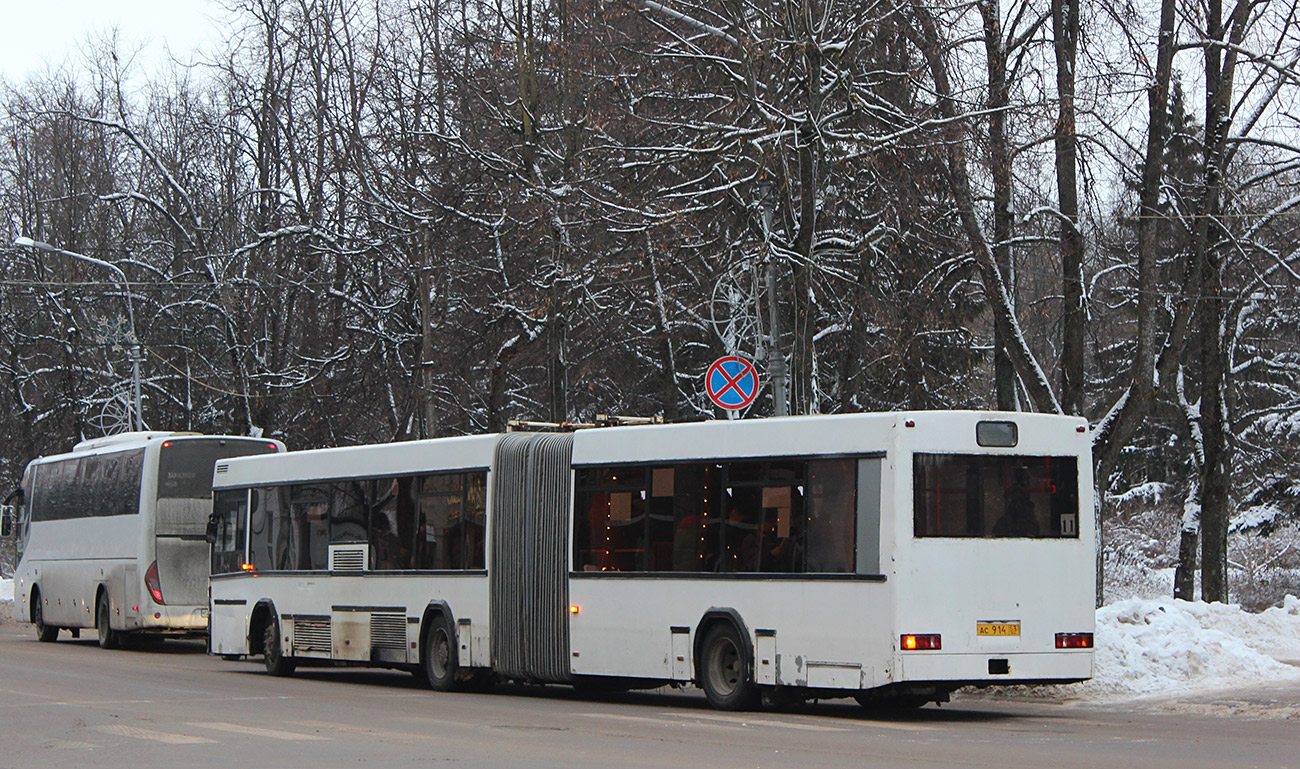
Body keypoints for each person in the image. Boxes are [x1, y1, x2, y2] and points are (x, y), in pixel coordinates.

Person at [993, 468, 1039, 537]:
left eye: (1021, 499)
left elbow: (1035, 535)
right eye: (1014, 499)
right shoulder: (1004, 522)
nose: (1018, 504)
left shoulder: (1030, 522)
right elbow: (996, 536)